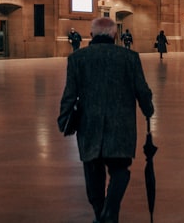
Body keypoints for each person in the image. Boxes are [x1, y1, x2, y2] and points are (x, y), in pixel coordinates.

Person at [59, 16, 154, 223]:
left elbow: (69, 93)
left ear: (91, 35)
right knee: (120, 169)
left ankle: (100, 214)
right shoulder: (130, 57)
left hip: (89, 125)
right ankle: (110, 211)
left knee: (93, 171)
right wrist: (148, 110)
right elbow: (142, 91)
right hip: (121, 124)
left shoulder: (77, 59)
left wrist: (64, 119)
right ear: (115, 35)